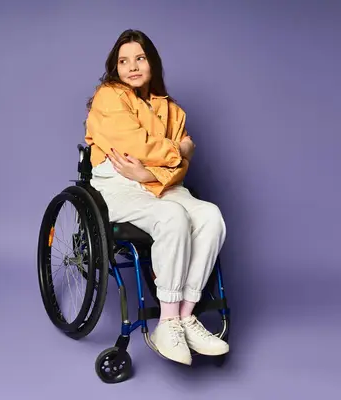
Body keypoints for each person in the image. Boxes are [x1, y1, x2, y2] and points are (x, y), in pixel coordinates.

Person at [84, 29, 228, 366]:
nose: (132, 66)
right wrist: (180, 149)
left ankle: (186, 316)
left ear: (152, 63)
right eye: (123, 61)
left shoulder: (172, 110)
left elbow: (177, 170)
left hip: (156, 184)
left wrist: (149, 173)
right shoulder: (109, 97)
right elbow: (138, 146)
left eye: (139, 58)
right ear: (114, 67)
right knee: (172, 217)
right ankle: (166, 322)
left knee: (210, 217)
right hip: (117, 187)